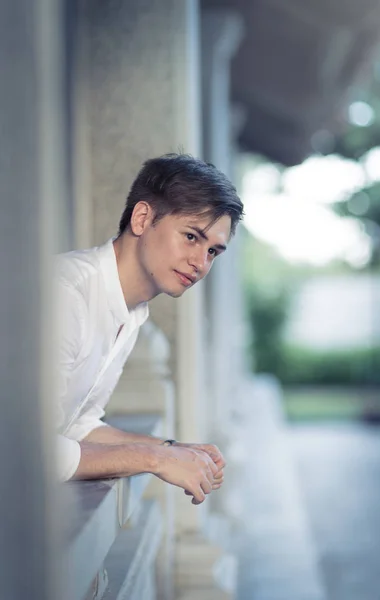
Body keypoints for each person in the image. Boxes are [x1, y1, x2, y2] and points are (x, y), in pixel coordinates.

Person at [56, 153, 243, 505]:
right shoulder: (65, 296)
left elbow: (76, 426)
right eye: (191, 236)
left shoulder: (131, 308)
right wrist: (153, 459)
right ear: (143, 218)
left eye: (214, 252)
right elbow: (23, 447)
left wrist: (172, 449)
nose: (200, 264)